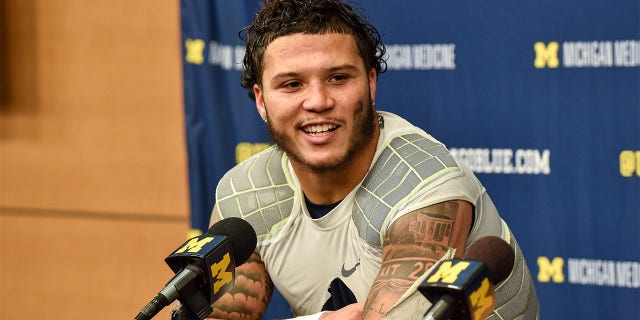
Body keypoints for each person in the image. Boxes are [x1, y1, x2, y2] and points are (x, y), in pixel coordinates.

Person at [204, 0, 540, 319]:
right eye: (292, 84)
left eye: (338, 78)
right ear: (261, 101)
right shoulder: (244, 195)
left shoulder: (423, 185)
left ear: (370, 82)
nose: (318, 101)